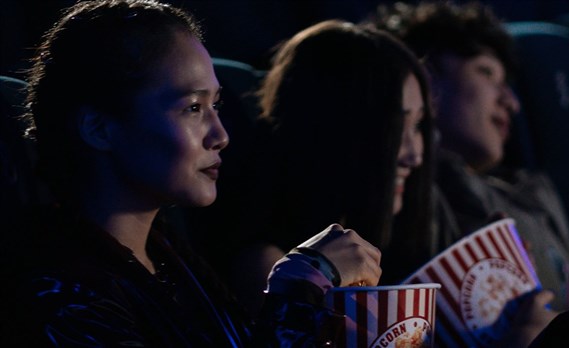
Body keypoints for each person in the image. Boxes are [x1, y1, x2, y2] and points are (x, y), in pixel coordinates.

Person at [0, 0, 383, 346]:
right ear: (99, 129)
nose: (220, 136)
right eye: (192, 108)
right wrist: (300, 286)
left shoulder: (164, 253)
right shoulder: (60, 288)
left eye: (215, 104)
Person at [368, 0, 569, 343]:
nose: (511, 103)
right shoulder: (415, 191)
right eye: (486, 73)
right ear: (426, 80)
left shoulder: (533, 188)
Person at [210, 19, 435, 318]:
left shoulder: (397, 238)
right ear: (335, 130)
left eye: (417, 125)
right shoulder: (276, 270)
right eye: (395, 128)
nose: (414, 155)